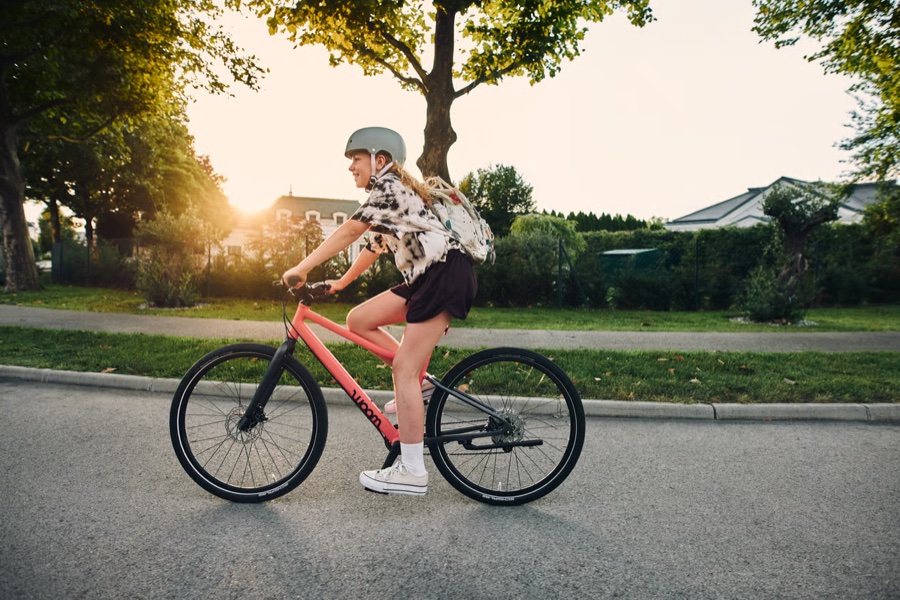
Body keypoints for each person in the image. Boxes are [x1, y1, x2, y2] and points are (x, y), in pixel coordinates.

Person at [281, 126, 477, 496]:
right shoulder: (387, 196)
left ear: (379, 160)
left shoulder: (389, 188)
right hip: (427, 278)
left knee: (403, 368)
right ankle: (420, 390)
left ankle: (413, 470)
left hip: (443, 275)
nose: (350, 168)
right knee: (358, 319)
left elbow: (350, 232)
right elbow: (373, 245)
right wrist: (341, 281)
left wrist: (302, 267)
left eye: (355, 160)